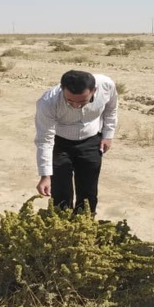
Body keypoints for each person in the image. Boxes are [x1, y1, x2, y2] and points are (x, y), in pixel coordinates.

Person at [35, 70, 118, 214]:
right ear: (62, 90)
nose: (76, 106)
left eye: (82, 101)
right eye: (70, 101)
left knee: (88, 191)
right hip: (59, 144)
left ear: (94, 90)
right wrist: (45, 175)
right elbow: (44, 140)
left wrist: (108, 135)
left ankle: (84, 227)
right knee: (61, 192)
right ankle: (62, 228)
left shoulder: (106, 85)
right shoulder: (48, 101)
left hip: (92, 141)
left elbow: (111, 109)